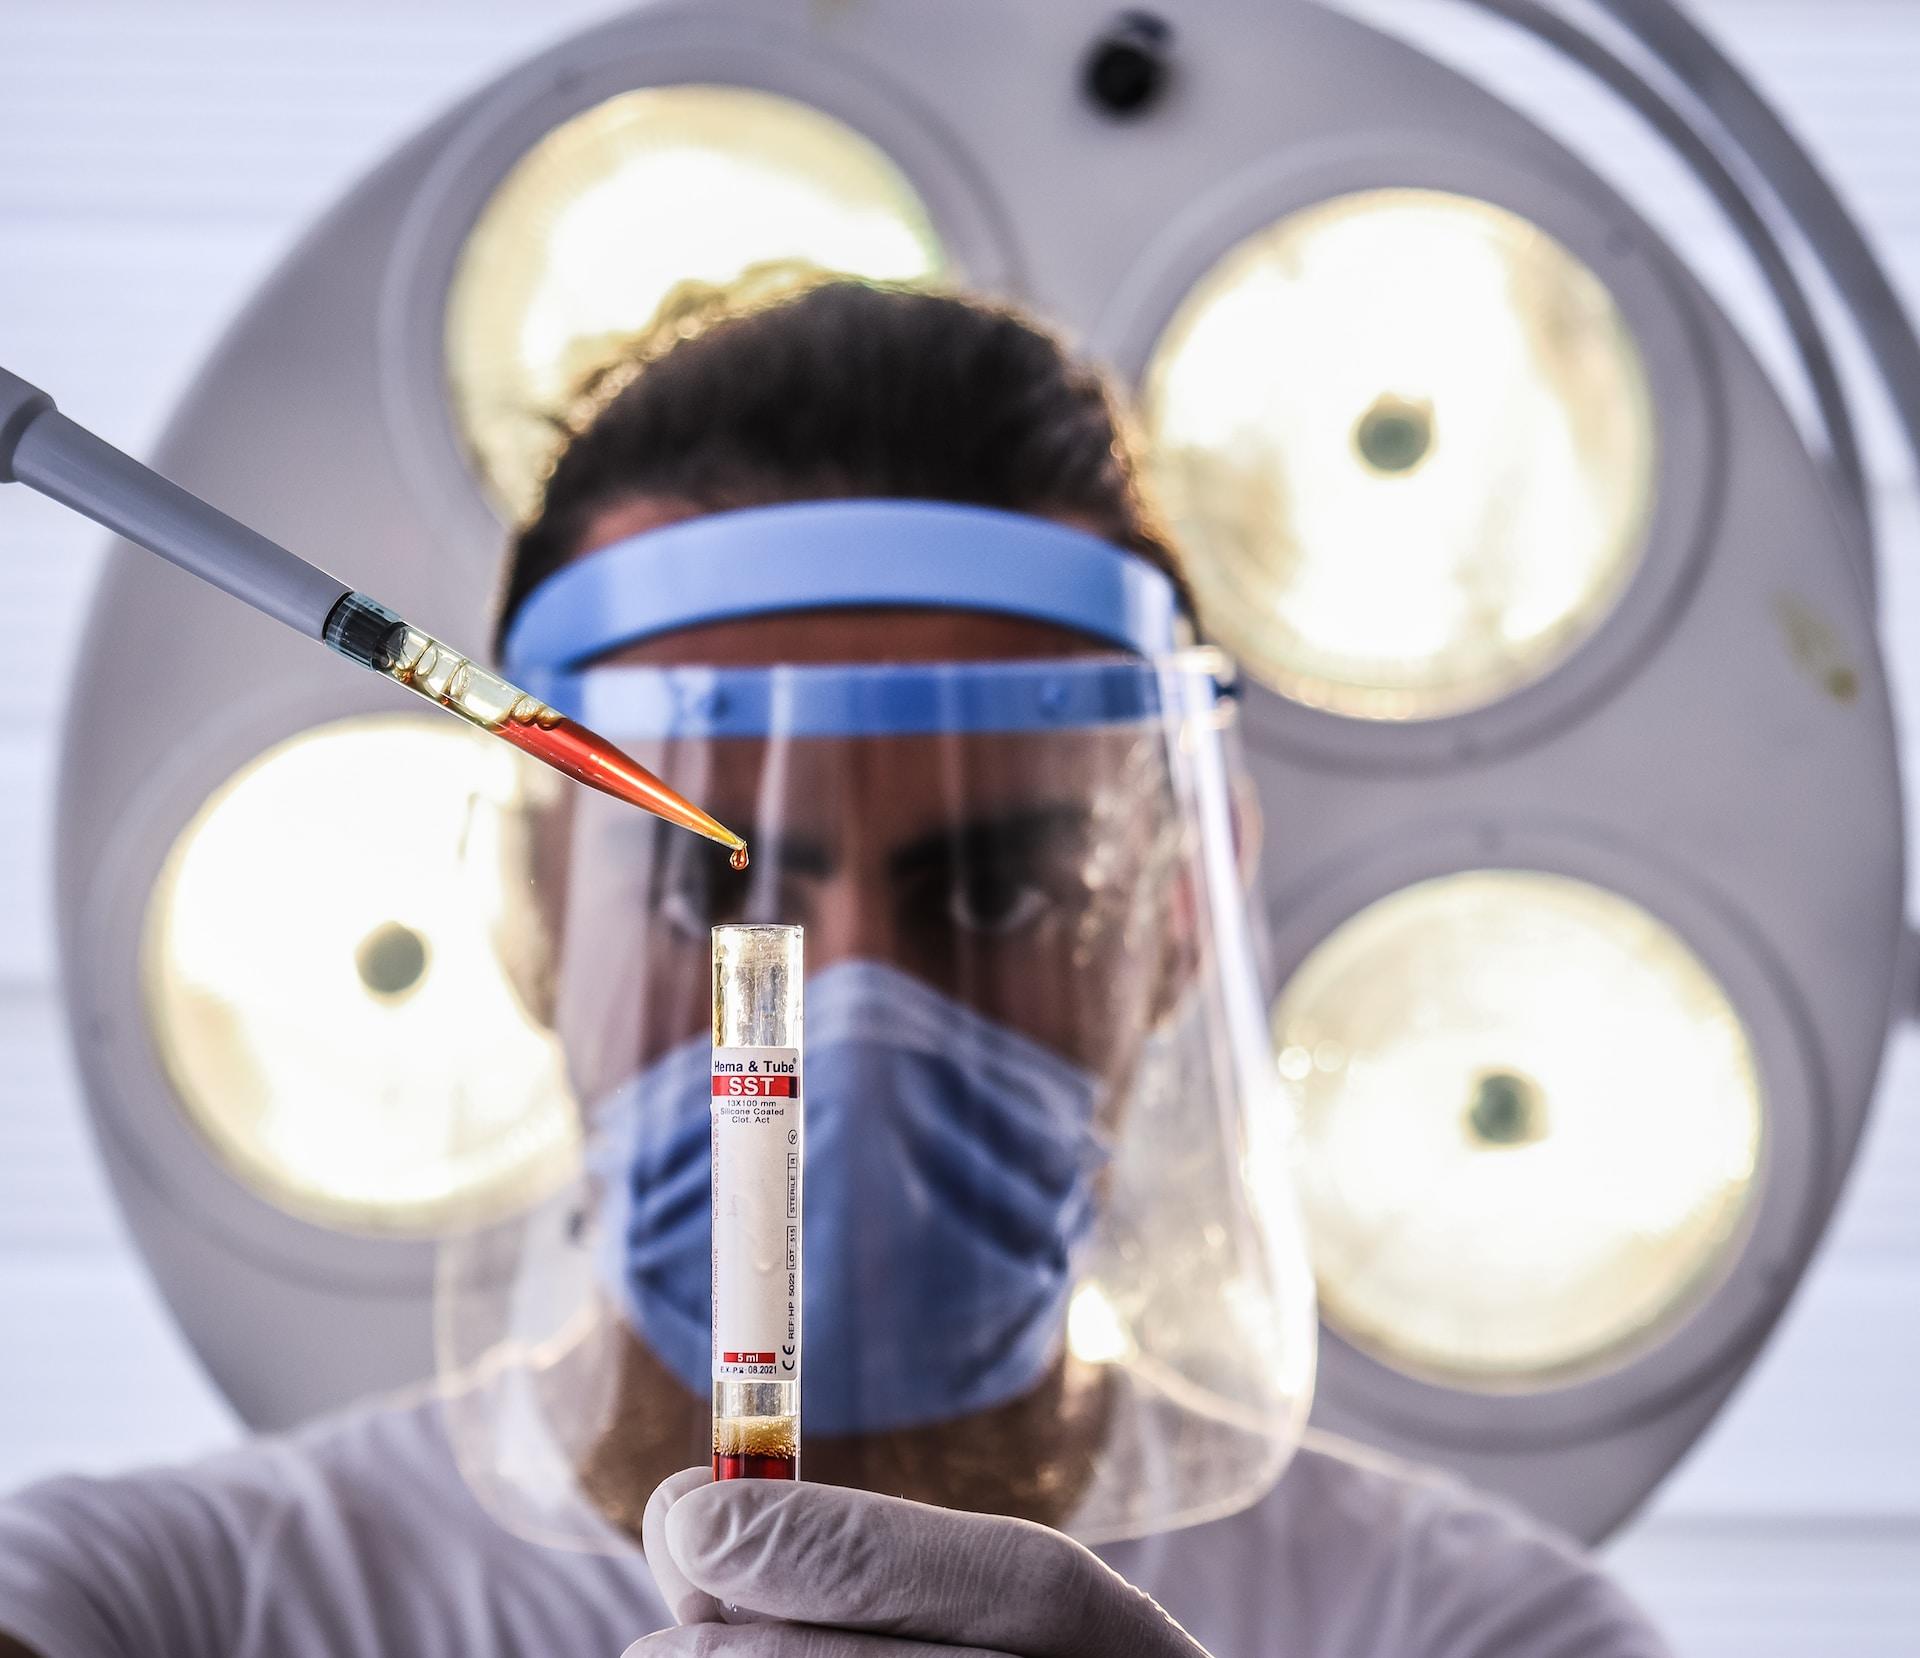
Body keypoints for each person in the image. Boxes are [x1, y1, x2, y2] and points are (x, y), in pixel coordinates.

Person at [0, 279, 1670, 1658]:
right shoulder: (164, 1603)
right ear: (529, 899)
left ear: (1175, 913)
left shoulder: (1483, 1630)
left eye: (1002, 889)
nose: (830, 1018)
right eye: (708, 885)